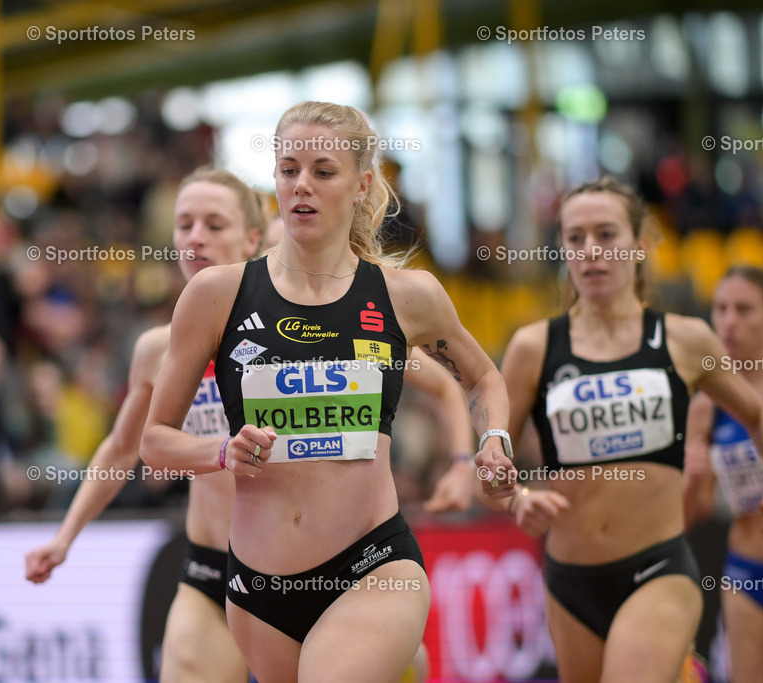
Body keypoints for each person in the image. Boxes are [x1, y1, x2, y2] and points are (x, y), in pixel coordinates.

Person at [142, 100, 512, 682]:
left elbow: (482, 377)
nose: (302, 186)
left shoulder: (406, 296)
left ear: (362, 185)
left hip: (373, 565)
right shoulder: (217, 295)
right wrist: (221, 451)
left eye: (323, 171)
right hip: (258, 588)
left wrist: (491, 443)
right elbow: (154, 441)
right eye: (289, 170)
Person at [489, 176, 763, 682]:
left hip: (658, 570)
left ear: (639, 244)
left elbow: (759, 415)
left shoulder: (684, 340)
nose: (591, 250)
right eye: (575, 238)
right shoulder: (533, 348)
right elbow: (488, 465)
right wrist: (516, 499)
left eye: (607, 235)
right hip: (569, 582)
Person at [26, 165, 266, 682]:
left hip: (302, 570)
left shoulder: (299, 331)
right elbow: (120, 450)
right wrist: (65, 536)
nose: (195, 237)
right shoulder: (157, 349)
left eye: (214, 224)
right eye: (184, 224)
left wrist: (454, 436)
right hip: (211, 571)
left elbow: (426, 371)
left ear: (252, 239)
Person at [684, 266, 763, 683]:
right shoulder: (705, 404)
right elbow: (691, 515)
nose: (730, 321)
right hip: (745, 574)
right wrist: (692, 479)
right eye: (721, 309)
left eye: (744, 310)